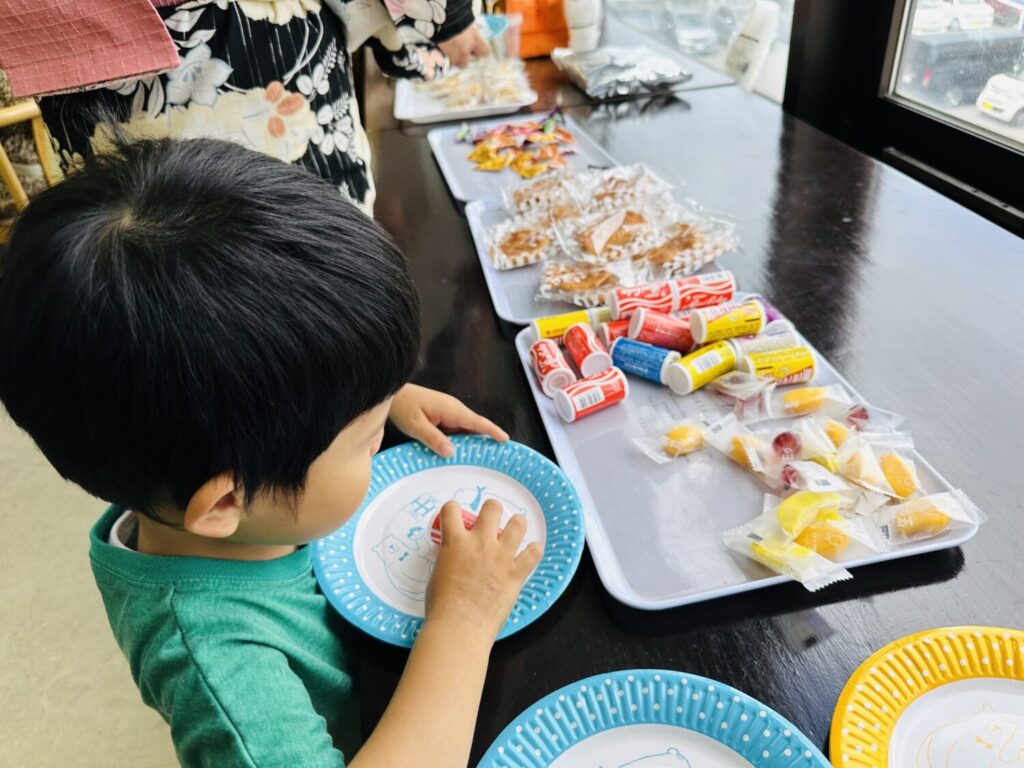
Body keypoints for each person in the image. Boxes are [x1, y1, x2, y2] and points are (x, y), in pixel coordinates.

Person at [0, 136, 541, 767]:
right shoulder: (220, 671)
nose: (380, 435)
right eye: (366, 439)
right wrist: (465, 617)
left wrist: (370, 396)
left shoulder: (198, 472)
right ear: (226, 499)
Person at [0, 0, 489, 213]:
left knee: (148, 285)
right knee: (291, 268)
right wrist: (449, 16)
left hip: (76, 56)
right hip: (239, 35)